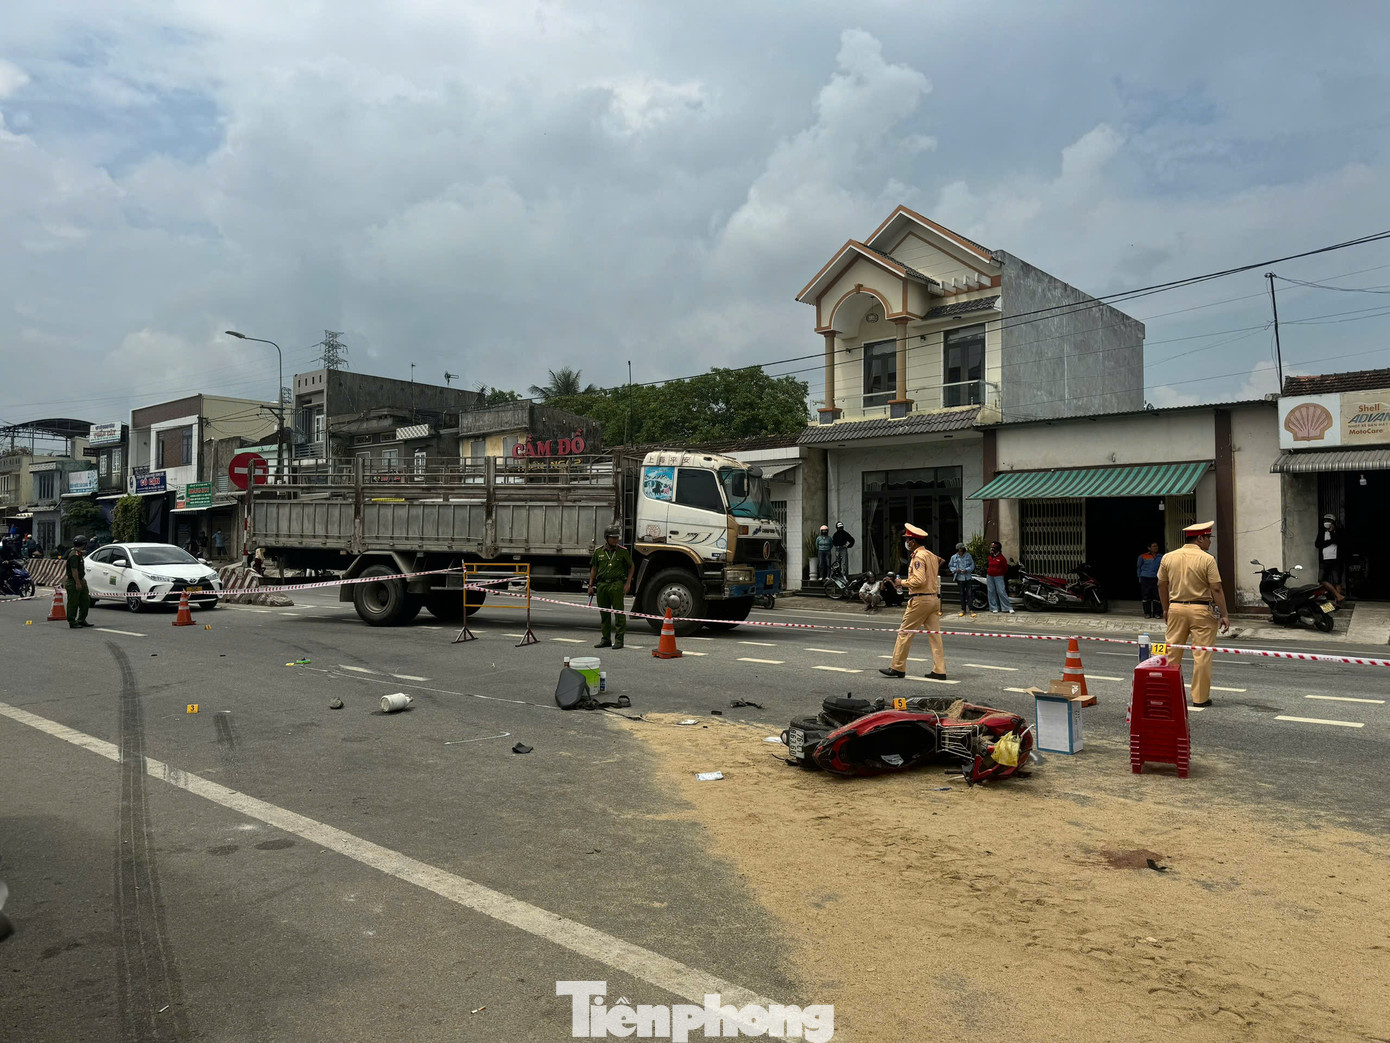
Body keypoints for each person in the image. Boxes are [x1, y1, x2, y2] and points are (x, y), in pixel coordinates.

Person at [1157, 520, 1230, 708]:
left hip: (1175, 609)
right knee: (1202, 655)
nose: (1209, 542)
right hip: (1201, 610)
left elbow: (1161, 584)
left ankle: (1169, 694)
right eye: (1208, 538)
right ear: (1200, 538)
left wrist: (1165, 608)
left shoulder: (1168, 557)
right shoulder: (1207, 559)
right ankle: (1200, 698)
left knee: (1172, 653)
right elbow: (1216, 587)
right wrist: (1224, 614)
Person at [879, 524, 947, 680]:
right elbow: (941, 561)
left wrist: (900, 582)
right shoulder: (930, 555)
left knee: (904, 633)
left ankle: (897, 667)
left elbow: (918, 580)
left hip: (921, 599)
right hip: (934, 598)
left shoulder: (918, 557)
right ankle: (940, 669)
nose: (906, 543)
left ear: (913, 542)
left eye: (908, 540)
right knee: (935, 636)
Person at [587, 524, 634, 649]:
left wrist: (628, 583)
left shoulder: (622, 552)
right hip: (602, 585)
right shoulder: (599, 552)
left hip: (616, 584)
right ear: (607, 538)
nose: (616, 540)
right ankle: (606, 639)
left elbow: (631, 566)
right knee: (604, 613)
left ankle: (619, 640)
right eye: (613, 538)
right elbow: (594, 568)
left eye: (617, 537)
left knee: (619, 613)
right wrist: (590, 585)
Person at [64, 535, 94, 629]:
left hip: (80, 579)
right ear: (83, 544)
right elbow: (74, 570)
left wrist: (82, 579)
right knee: (73, 602)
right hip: (73, 581)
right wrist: (77, 582)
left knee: (85, 600)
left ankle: (81, 619)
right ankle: (72, 621)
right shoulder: (74, 555)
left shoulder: (78, 553)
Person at [1315, 515, 1345, 605]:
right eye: (1325, 521)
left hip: (1336, 560)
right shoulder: (1321, 533)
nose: (1327, 522)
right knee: (1321, 579)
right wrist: (1330, 541)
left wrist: (1332, 532)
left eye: (1329, 521)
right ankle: (1338, 595)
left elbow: (1339, 541)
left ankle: (1337, 602)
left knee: (1337, 580)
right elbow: (1318, 544)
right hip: (1324, 560)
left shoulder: (1338, 532)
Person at [948, 542, 977, 619]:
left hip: (967, 577)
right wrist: (955, 570)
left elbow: (972, 565)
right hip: (959, 578)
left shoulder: (968, 556)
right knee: (962, 594)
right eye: (961, 549)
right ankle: (963, 609)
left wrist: (967, 570)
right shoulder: (954, 557)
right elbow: (950, 566)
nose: (962, 550)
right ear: (958, 550)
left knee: (969, 594)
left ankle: (971, 609)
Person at [985, 541, 1014, 613]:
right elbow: (988, 565)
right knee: (991, 591)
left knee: (1001, 591)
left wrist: (1000, 573)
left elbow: (1005, 568)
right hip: (990, 576)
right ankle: (994, 607)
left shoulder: (1001, 558)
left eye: (993, 548)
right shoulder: (990, 557)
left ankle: (1007, 607)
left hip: (998, 576)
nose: (992, 549)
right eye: (991, 547)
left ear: (998, 548)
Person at [1137, 541, 1163, 618]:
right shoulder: (1142, 556)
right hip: (1145, 578)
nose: (1156, 547)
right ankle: (1147, 613)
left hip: (1156, 578)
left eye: (1157, 546)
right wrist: (1140, 578)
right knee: (1146, 596)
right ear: (1149, 548)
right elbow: (1139, 568)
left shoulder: (1161, 556)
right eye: (1154, 546)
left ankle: (1157, 613)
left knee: (1157, 596)